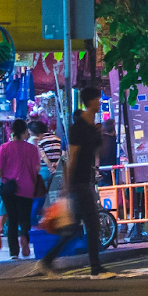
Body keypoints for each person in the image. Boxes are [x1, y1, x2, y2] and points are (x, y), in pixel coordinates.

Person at [39, 86, 112, 278]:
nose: (99, 102)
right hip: (78, 182)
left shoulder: (92, 126)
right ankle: (96, 269)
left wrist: (101, 134)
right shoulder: (78, 127)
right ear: (90, 101)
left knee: (73, 229)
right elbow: (73, 157)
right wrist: (66, 186)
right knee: (93, 224)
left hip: (86, 180)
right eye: (97, 98)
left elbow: (99, 153)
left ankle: (46, 261)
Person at [0, 119, 43, 260]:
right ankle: (24, 237)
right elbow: (37, 168)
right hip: (27, 188)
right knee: (24, 218)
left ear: (12, 132)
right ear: (25, 132)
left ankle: (14, 252)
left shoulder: (4, 148)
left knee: (12, 219)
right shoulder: (32, 149)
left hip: (8, 189)